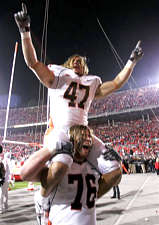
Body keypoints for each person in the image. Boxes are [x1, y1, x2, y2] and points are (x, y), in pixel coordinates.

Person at [14, 3, 143, 223]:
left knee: (115, 170)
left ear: (85, 68)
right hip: (61, 132)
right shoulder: (58, 77)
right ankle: (43, 199)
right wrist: (25, 31)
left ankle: (84, 198)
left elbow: (117, 83)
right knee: (63, 160)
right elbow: (32, 63)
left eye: (81, 61)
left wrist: (131, 61)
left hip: (84, 133)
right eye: (74, 59)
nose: (77, 61)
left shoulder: (92, 83)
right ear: (67, 64)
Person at [35, 125, 122, 225]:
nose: (88, 138)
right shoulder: (62, 165)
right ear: (72, 140)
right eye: (83, 136)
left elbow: (116, 180)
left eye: (89, 136)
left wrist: (116, 164)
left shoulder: (94, 166)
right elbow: (45, 178)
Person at [0, 146, 12, 214]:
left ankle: (1, 209)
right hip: (7, 179)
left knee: (1, 193)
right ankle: (6, 206)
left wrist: (2, 178)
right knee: (6, 193)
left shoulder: (4, 161)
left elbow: (3, 171)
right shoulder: (9, 161)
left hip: (3, 179)